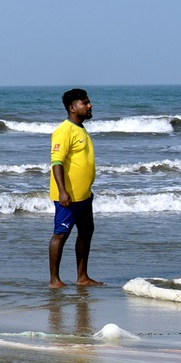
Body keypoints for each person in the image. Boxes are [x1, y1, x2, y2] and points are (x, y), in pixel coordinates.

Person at [48, 88, 102, 288]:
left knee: (87, 231)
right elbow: (57, 162)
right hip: (68, 196)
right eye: (85, 103)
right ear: (72, 108)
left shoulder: (81, 129)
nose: (90, 106)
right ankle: (54, 280)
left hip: (84, 195)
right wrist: (63, 191)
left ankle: (82, 277)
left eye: (89, 102)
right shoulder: (64, 130)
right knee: (60, 234)